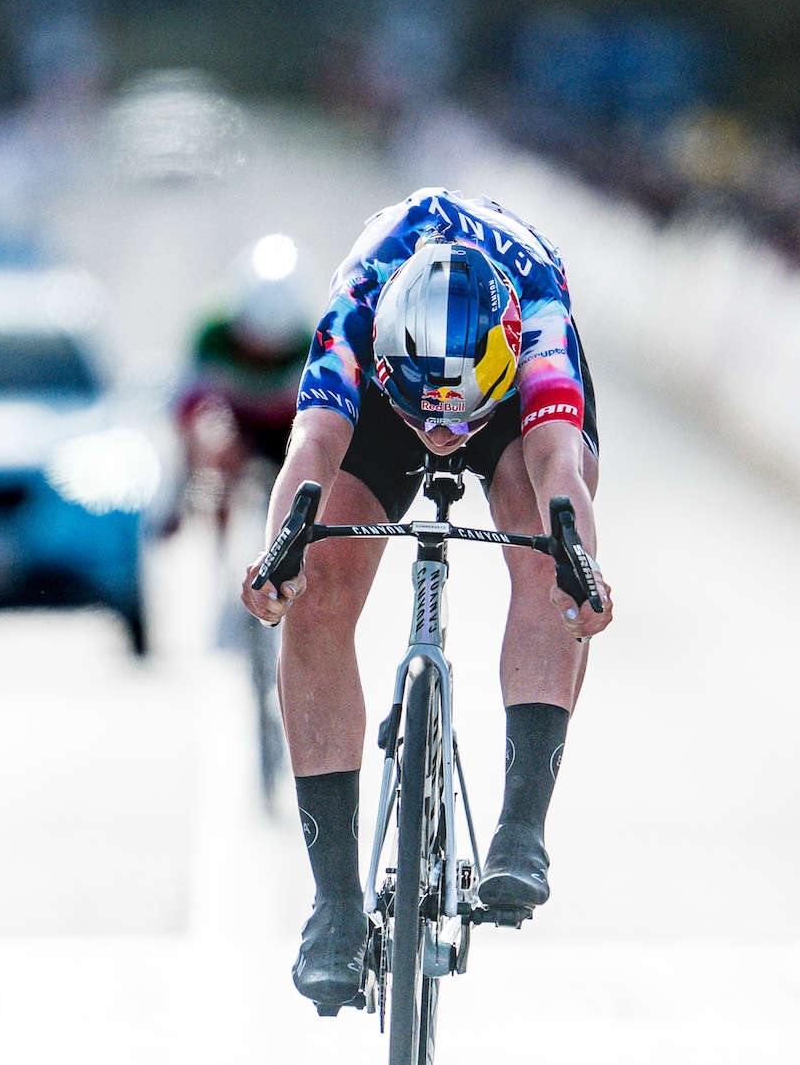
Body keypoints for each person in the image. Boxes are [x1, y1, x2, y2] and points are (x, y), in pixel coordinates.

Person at [242, 189, 615, 1013]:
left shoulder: (539, 319)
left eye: (458, 422)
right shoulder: (357, 311)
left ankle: (521, 830)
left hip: (507, 402)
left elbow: (559, 463)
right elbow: (309, 449)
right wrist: (279, 563)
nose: (443, 435)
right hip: (389, 401)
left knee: (552, 556)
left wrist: (580, 565)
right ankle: (334, 904)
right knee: (316, 595)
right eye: (429, 420)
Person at [168, 235, 316, 538]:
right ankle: (219, 545)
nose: (261, 358)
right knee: (216, 448)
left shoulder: (308, 345)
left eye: (274, 353)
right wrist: (181, 486)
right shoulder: (212, 335)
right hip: (237, 422)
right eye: (251, 347)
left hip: (285, 428)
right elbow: (185, 412)